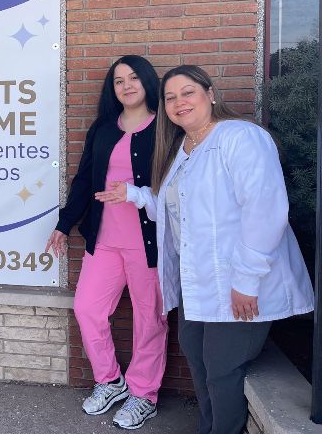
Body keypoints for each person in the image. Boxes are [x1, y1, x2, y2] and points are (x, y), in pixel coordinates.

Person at [100, 64, 314, 434]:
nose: (179, 102)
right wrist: (134, 195)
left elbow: (266, 209)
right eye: (170, 97)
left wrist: (247, 280)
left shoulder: (240, 137)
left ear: (210, 93)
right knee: (199, 365)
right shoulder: (183, 148)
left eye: (188, 92)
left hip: (239, 283)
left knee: (223, 370)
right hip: (197, 283)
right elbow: (174, 207)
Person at [45, 55, 167, 430]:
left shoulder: (166, 127)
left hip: (149, 244)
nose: (126, 85)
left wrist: (134, 192)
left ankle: (144, 394)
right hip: (105, 240)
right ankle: (110, 381)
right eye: (118, 81)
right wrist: (64, 225)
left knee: (150, 320)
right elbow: (84, 180)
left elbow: (177, 188)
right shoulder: (102, 128)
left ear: (147, 81)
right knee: (86, 308)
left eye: (133, 78)